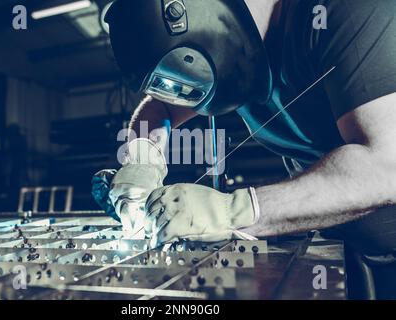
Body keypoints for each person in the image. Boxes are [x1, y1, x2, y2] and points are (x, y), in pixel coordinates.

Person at [92, 0, 396, 298]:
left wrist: (233, 211)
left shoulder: (342, 11)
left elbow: (384, 167)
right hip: (343, 247)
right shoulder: (237, 53)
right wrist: (142, 162)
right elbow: (160, 108)